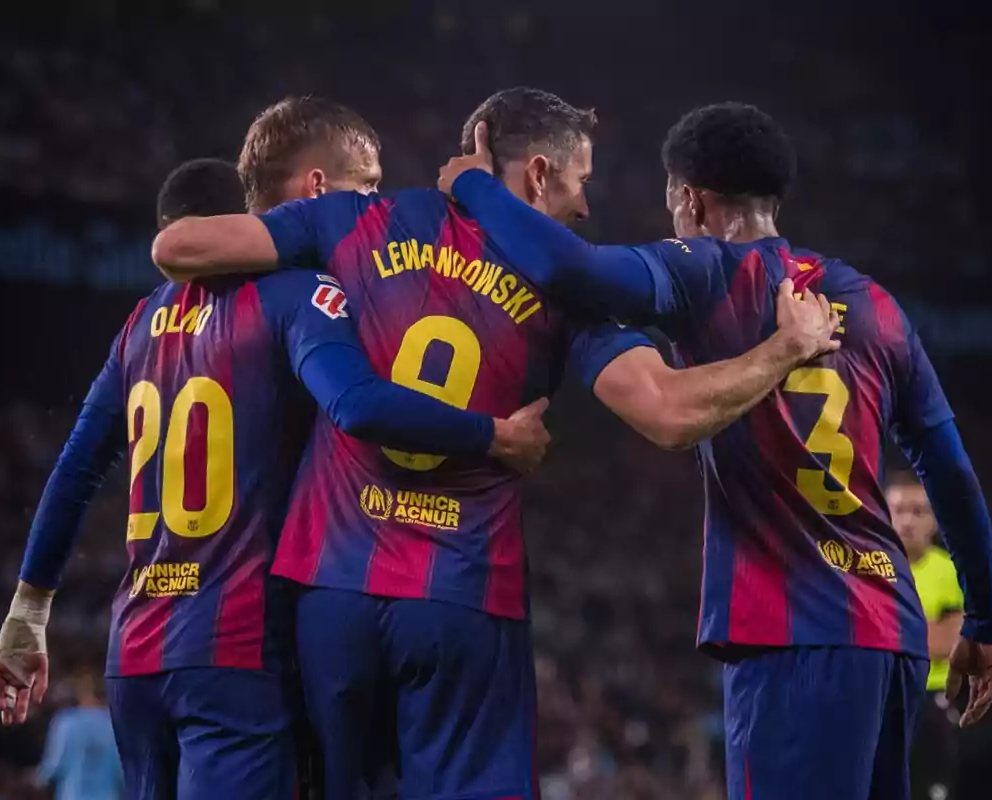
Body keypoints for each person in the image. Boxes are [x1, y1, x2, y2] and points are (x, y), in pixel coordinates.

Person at [151, 88, 839, 800]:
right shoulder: (566, 292)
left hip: (330, 590)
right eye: (580, 182)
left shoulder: (360, 218)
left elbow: (185, 247)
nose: (585, 207)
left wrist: (315, 281)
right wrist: (783, 350)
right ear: (539, 175)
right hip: (461, 597)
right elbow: (670, 414)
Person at [437, 100, 992, 800]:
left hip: (797, 631)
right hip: (893, 636)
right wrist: (984, 620)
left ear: (690, 199)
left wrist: (471, 183)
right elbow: (950, 472)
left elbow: (569, 270)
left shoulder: (708, 272)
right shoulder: (878, 305)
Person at [0, 157, 549, 800]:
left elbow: (76, 469)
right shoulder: (291, 295)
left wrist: (28, 612)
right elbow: (358, 404)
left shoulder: (136, 326)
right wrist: (491, 434)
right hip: (235, 648)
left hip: (136, 654)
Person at [889, 472, 964, 800]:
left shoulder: (950, 572)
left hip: (930, 697)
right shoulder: (866, 569)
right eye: (899, 509)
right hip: (879, 695)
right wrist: (921, 626)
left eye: (919, 511)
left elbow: (945, 643)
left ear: (934, 520)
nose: (908, 520)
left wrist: (885, 628)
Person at [35, 668, 123, 800]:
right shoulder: (115, 725)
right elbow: (122, 773)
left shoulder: (65, 722)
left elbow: (52, 768)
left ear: (81, 693)